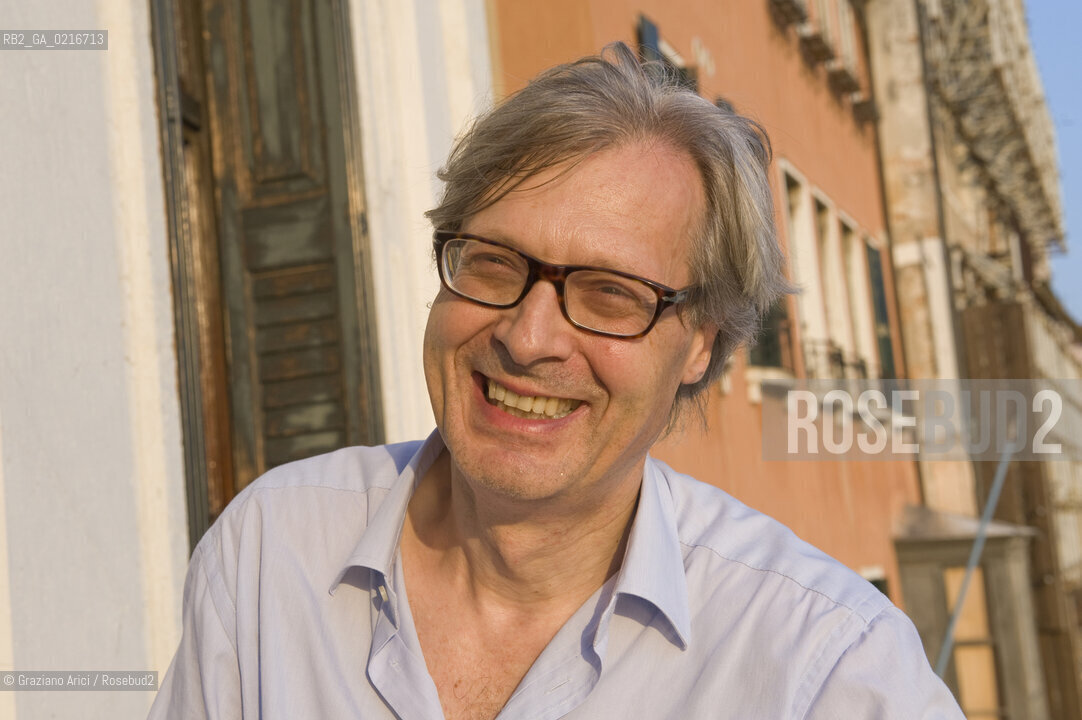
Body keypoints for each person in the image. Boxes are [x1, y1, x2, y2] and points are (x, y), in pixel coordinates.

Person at [150, 42, 964, 719]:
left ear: (699, 347)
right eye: (495, 265)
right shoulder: (269, 553)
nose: (528, 337)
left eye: (611, 294)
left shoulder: (827, 670)